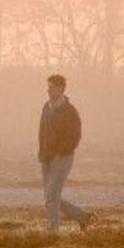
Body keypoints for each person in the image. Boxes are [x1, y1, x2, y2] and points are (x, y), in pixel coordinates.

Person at [38, 74, 95, 233]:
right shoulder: (46, 107)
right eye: (48, 87)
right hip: (46, 158)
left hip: (62, 158)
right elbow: (42, 131)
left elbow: (75, 136)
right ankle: (83, 217)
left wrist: (60, 151)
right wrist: (42, 152)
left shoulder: (70, 111)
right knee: (50, 197)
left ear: (61, 88)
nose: (48, 90)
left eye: (52, 87)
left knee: (51, 196)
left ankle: (52, 232)